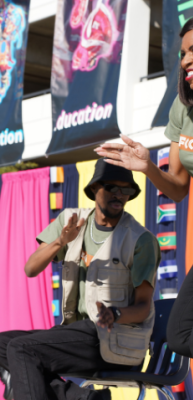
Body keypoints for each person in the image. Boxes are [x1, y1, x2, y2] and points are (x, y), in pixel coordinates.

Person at [0, 159, 160, 400]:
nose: (119, 195)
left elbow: (143, 307)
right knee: (0, 344)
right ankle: (83, 398)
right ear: (94, 189)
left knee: (21, 349)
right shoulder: (71, 221)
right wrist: (60, 241)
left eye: (126, 190)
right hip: (77, 334)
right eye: (112, 187)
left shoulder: (140, 240)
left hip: (115, 341)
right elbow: (30, 269)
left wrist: (115, 314)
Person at [93, 18, 193, 362]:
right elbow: (179, 188)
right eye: (182, 53)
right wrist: (147, 167)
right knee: (181, 335)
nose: (185, 60)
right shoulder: (183, 109)